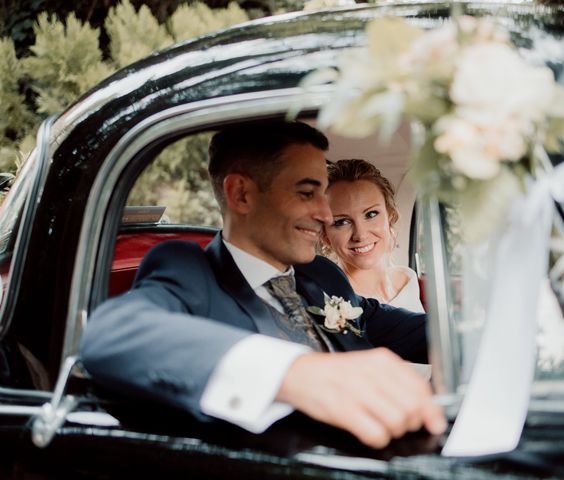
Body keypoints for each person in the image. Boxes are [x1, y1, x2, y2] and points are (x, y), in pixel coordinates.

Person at [80, 120, 446, 449]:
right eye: (307, 193)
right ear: (241, 194)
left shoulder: (321, 276)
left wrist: (479, 333)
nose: (324, 214)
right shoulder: (190, 272)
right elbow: (111, 334)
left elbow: (412, 329)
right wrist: (296, 373)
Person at [323, 159, 425, 313]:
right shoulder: (332, 303)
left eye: (371, 214)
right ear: (325, 236)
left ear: (389, 216)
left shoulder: (407, 279)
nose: (361, 235)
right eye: (342, 222)